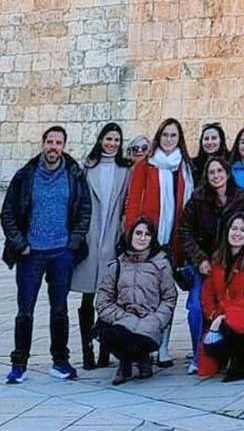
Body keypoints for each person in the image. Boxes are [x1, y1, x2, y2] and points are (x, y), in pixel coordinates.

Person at [2, 126, 91, 384]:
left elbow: (84, 210)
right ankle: (19, 364)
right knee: (25, 311)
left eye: (58, 142)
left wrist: (72, 244)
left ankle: (60, 361)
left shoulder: (73, 175)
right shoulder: (25, 176)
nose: (53, 147)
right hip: (31, 253)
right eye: (50, 142)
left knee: (59, 310)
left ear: (64, 146)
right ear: (43, 144)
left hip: (61, 253)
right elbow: (7, 213)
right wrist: (20, 244)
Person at [122, 117, 194, 367]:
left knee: (167, 295)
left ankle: (163, 345)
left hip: (175, 240)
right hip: (150, 239)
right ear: (158, 138)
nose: (169, 140)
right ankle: (144, 344)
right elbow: (133, 202)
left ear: (179, 139)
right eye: (165, 135)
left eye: (174, 136)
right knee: (145, 295)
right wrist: (132, 234)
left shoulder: (184, 167)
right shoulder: (146, 165)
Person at [178, 158, 244, 374]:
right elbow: (185, 231)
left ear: (227, 173)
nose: (216, 175)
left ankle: (228, 352)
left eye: (220, 171)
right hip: (206, 265)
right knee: (196, 308)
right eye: (212, 172)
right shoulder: (198, 200)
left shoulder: (241, 198)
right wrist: (199, 259)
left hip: (232, 264)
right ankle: (198, 353)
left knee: (230, 308)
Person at [72, 122, 130, 371]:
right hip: (91, 235)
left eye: (117, 140)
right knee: (88, 296)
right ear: (101, 140)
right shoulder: (87, 167)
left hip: (112, 236)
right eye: (109, 139)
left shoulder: (125, 170)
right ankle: (87, 350)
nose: (112, 144)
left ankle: (105, 349)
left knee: (108, 297)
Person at [94, 217, 177, 385]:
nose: (142, 238)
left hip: (150, 321)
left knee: (139, 336)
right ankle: (126, 364)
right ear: (130, 235)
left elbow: (169, 298)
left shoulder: (161, 265)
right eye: (138, 233)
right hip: (122, 319)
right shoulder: (117, 265)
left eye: (147, 234)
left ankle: (141, 357)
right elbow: (103, 299)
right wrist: (123, 317)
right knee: (108, 331)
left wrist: (156, 320)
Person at [198, 212, 244, 382]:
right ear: (227, 231)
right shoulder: (217, 258)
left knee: (230, 324)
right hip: (225, 317)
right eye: (234, 229)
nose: (237, 234)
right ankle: (237, 360)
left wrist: (225, 315)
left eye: (243, 230)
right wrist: (214, 315)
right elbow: (207, 294)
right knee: (210, 344)